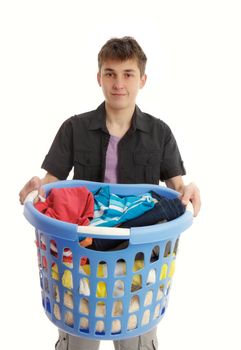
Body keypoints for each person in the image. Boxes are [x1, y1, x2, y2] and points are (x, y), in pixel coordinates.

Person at [19, 36, 201, 350]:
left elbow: (178, 194)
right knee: (79, 342)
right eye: (110, 73)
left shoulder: (160, 133)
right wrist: (34, 190)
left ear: (142, 79)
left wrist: (190, 191)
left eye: (128, 74)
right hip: (81, 259)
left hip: (138, 261)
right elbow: (50, 190)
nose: (119, 83)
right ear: (99, 77)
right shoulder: (74, 129)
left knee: (135, 339)